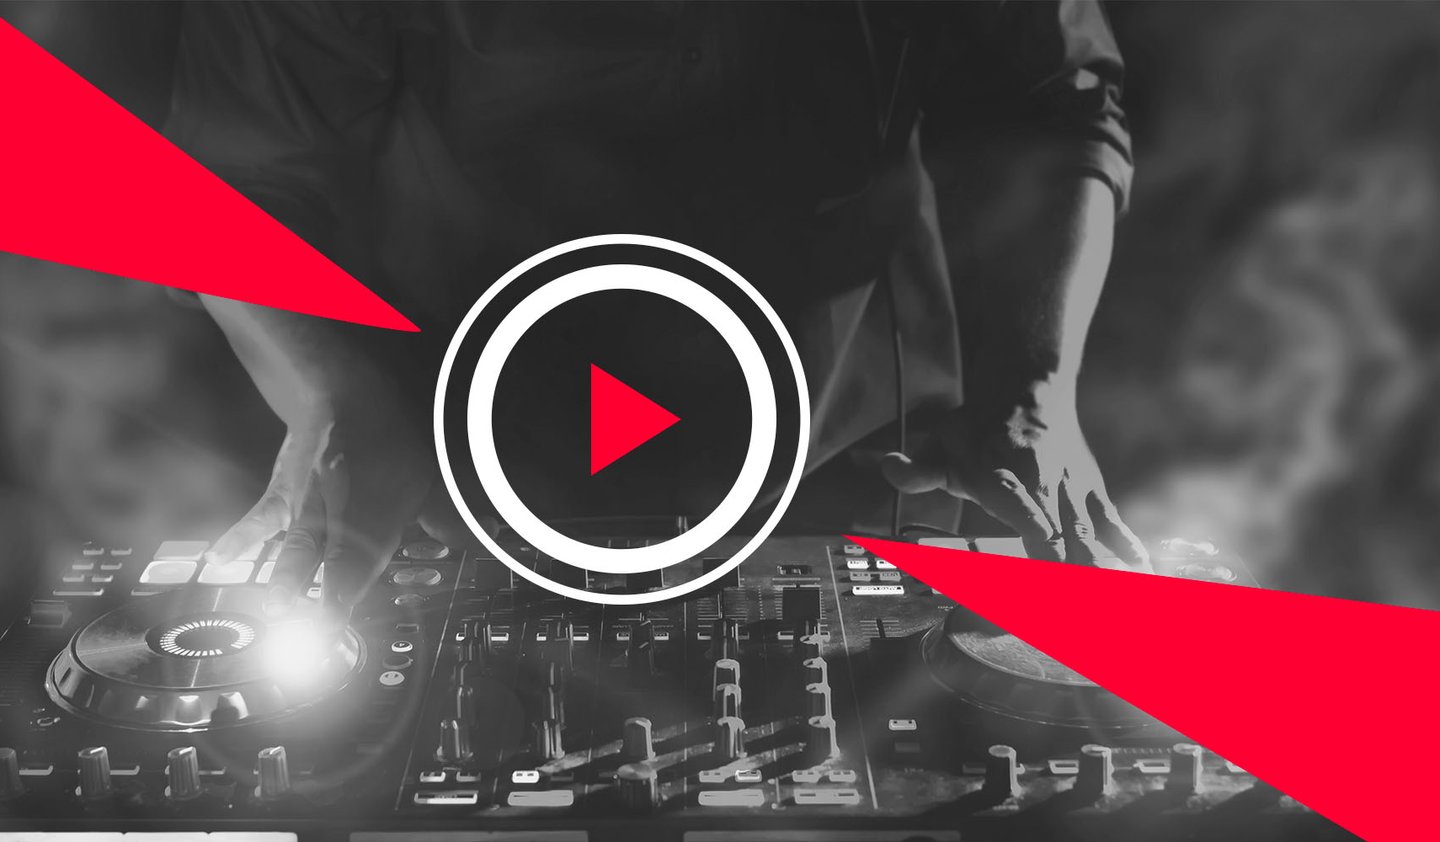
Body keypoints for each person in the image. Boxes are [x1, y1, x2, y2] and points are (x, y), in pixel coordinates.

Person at [165, 1, 1150, 618]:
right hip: (454, 480)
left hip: (851, 474)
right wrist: (338, 394)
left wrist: (1032, 385)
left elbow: (1050, 103)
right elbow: (237, 181)